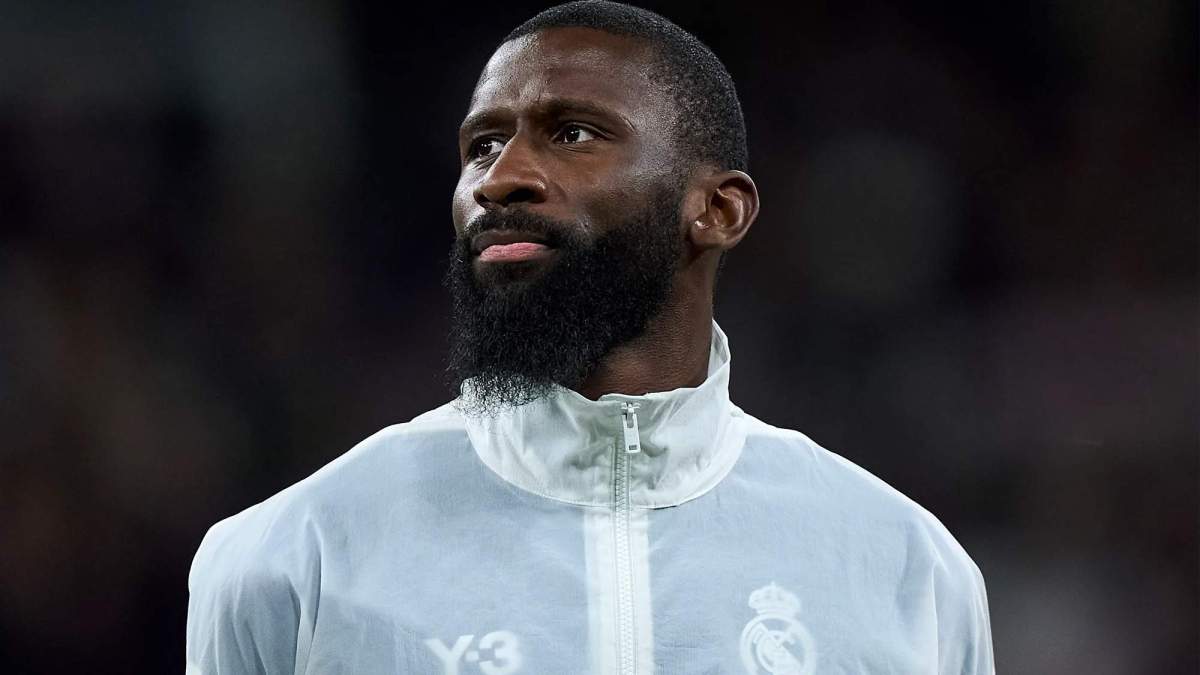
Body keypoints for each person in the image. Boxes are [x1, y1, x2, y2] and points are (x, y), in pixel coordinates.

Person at [185, 2, 995, 673]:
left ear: (718, 210)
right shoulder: (291, 557)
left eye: (572, 133)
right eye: (482, 146)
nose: (501, 178)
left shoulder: (906, 569)